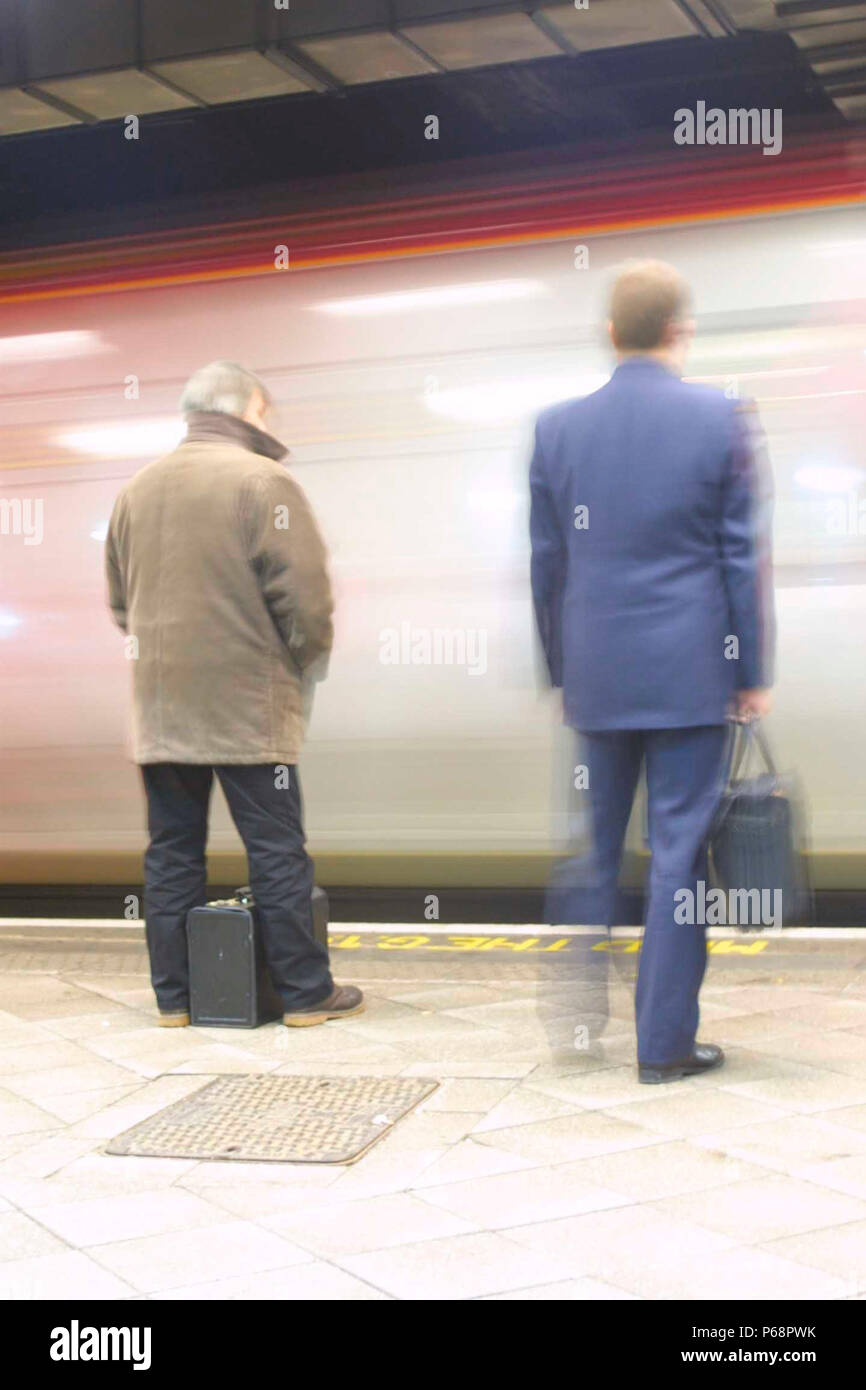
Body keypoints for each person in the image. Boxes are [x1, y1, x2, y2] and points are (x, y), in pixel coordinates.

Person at [529, 261, 773, 1084]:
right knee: (676, 857)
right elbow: (741, 557)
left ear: (611, 334)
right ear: (682, 329)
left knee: (592, 851)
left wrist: (563, 668)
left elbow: (548, 564)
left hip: (598, 678)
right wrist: (752, 666)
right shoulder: (720, 417)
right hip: (691, 673)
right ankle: (664, 1045)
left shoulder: (558, 427)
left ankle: (572, 1026)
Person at [105, 361, 363, 1028]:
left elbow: (120, 601)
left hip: (162, 710)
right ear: (248, 410)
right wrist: (305, 665)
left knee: (171, 850)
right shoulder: (263, 480)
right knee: (275, 848)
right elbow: (305, 600)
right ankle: (305, 994)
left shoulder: (135, 490)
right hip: (248, 707)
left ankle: (176, 999)